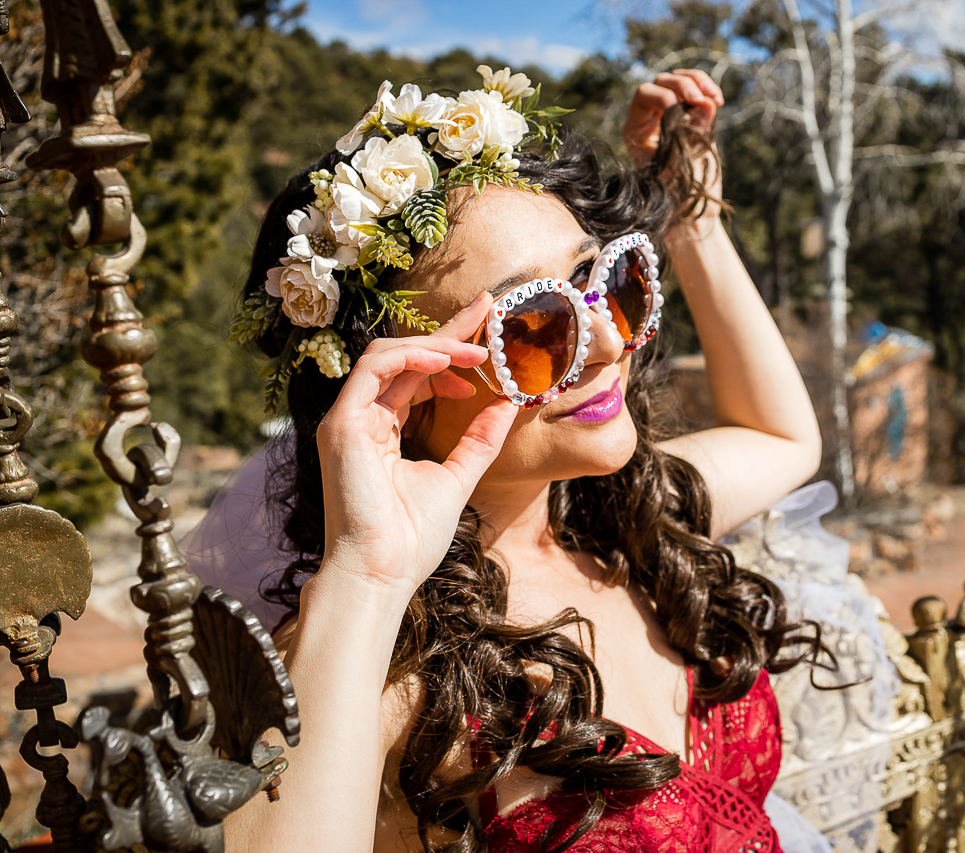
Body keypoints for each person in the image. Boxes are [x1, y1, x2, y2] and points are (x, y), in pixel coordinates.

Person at [220, 65, 826, 853]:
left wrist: (694, 218)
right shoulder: (386, 658)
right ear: (401, 389)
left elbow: (787, 440)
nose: (609, 342)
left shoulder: (628, 526)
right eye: (532, 325)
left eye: (600, 278)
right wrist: (368, 572)